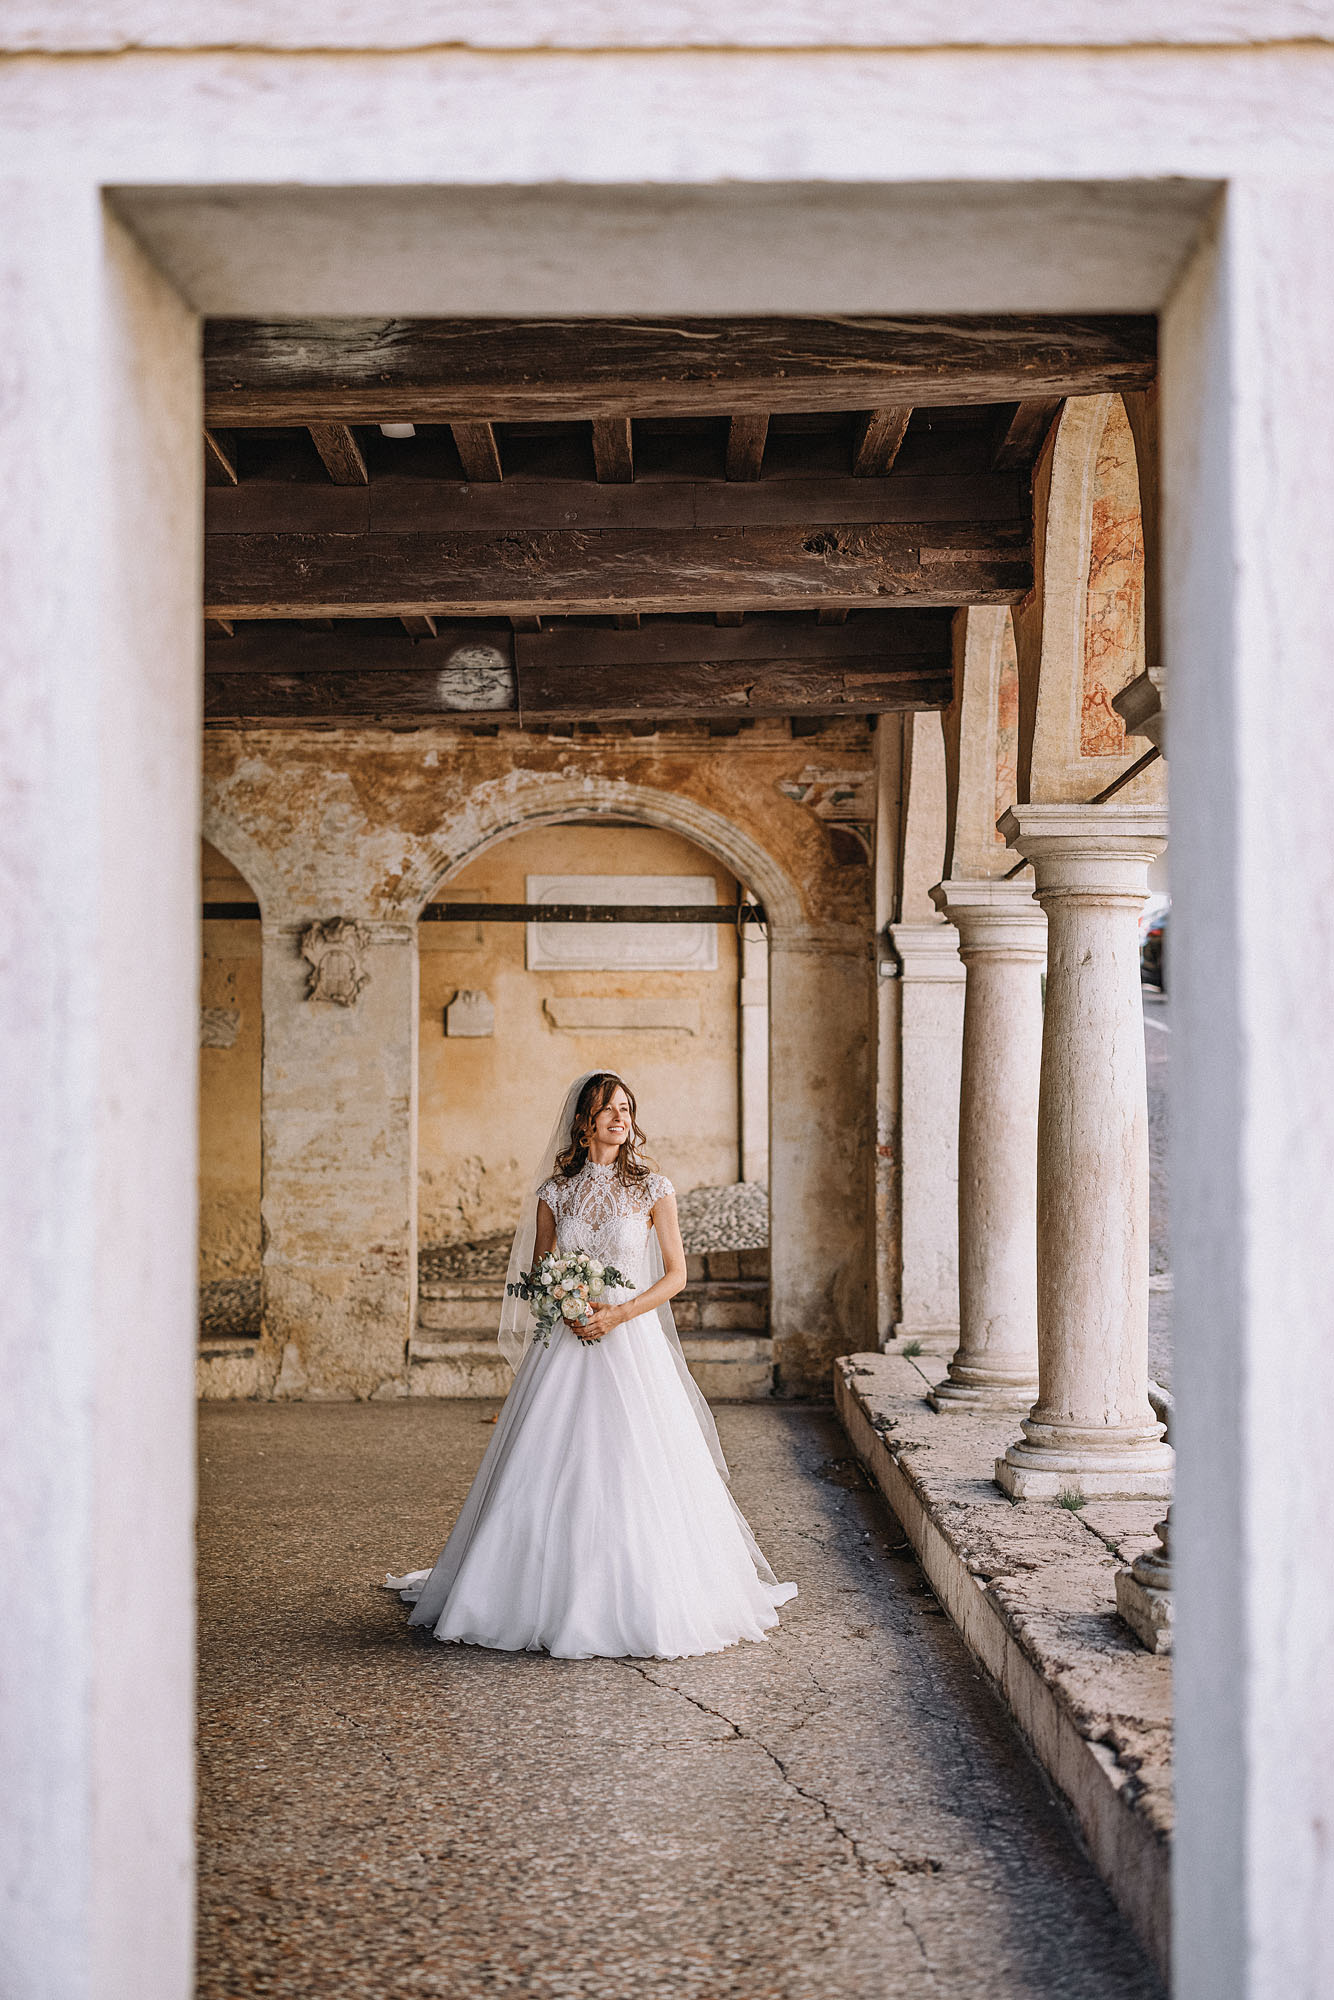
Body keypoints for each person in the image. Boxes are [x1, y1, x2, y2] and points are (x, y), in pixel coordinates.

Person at [387, 1070, 796, 1659]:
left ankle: (651, 1593)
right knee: (549, 1461)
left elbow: (675, 1275)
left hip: (631, 1343)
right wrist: (570, 1302)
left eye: (626, 1108)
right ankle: (526, 1592)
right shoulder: (556, 1193)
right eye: (606, 1109)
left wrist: (618, 1313)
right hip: (567, 1344)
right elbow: (538, 1273)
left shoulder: (654, 1188)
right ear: (583, 1123)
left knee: (640, 1463)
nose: (619, 1117)